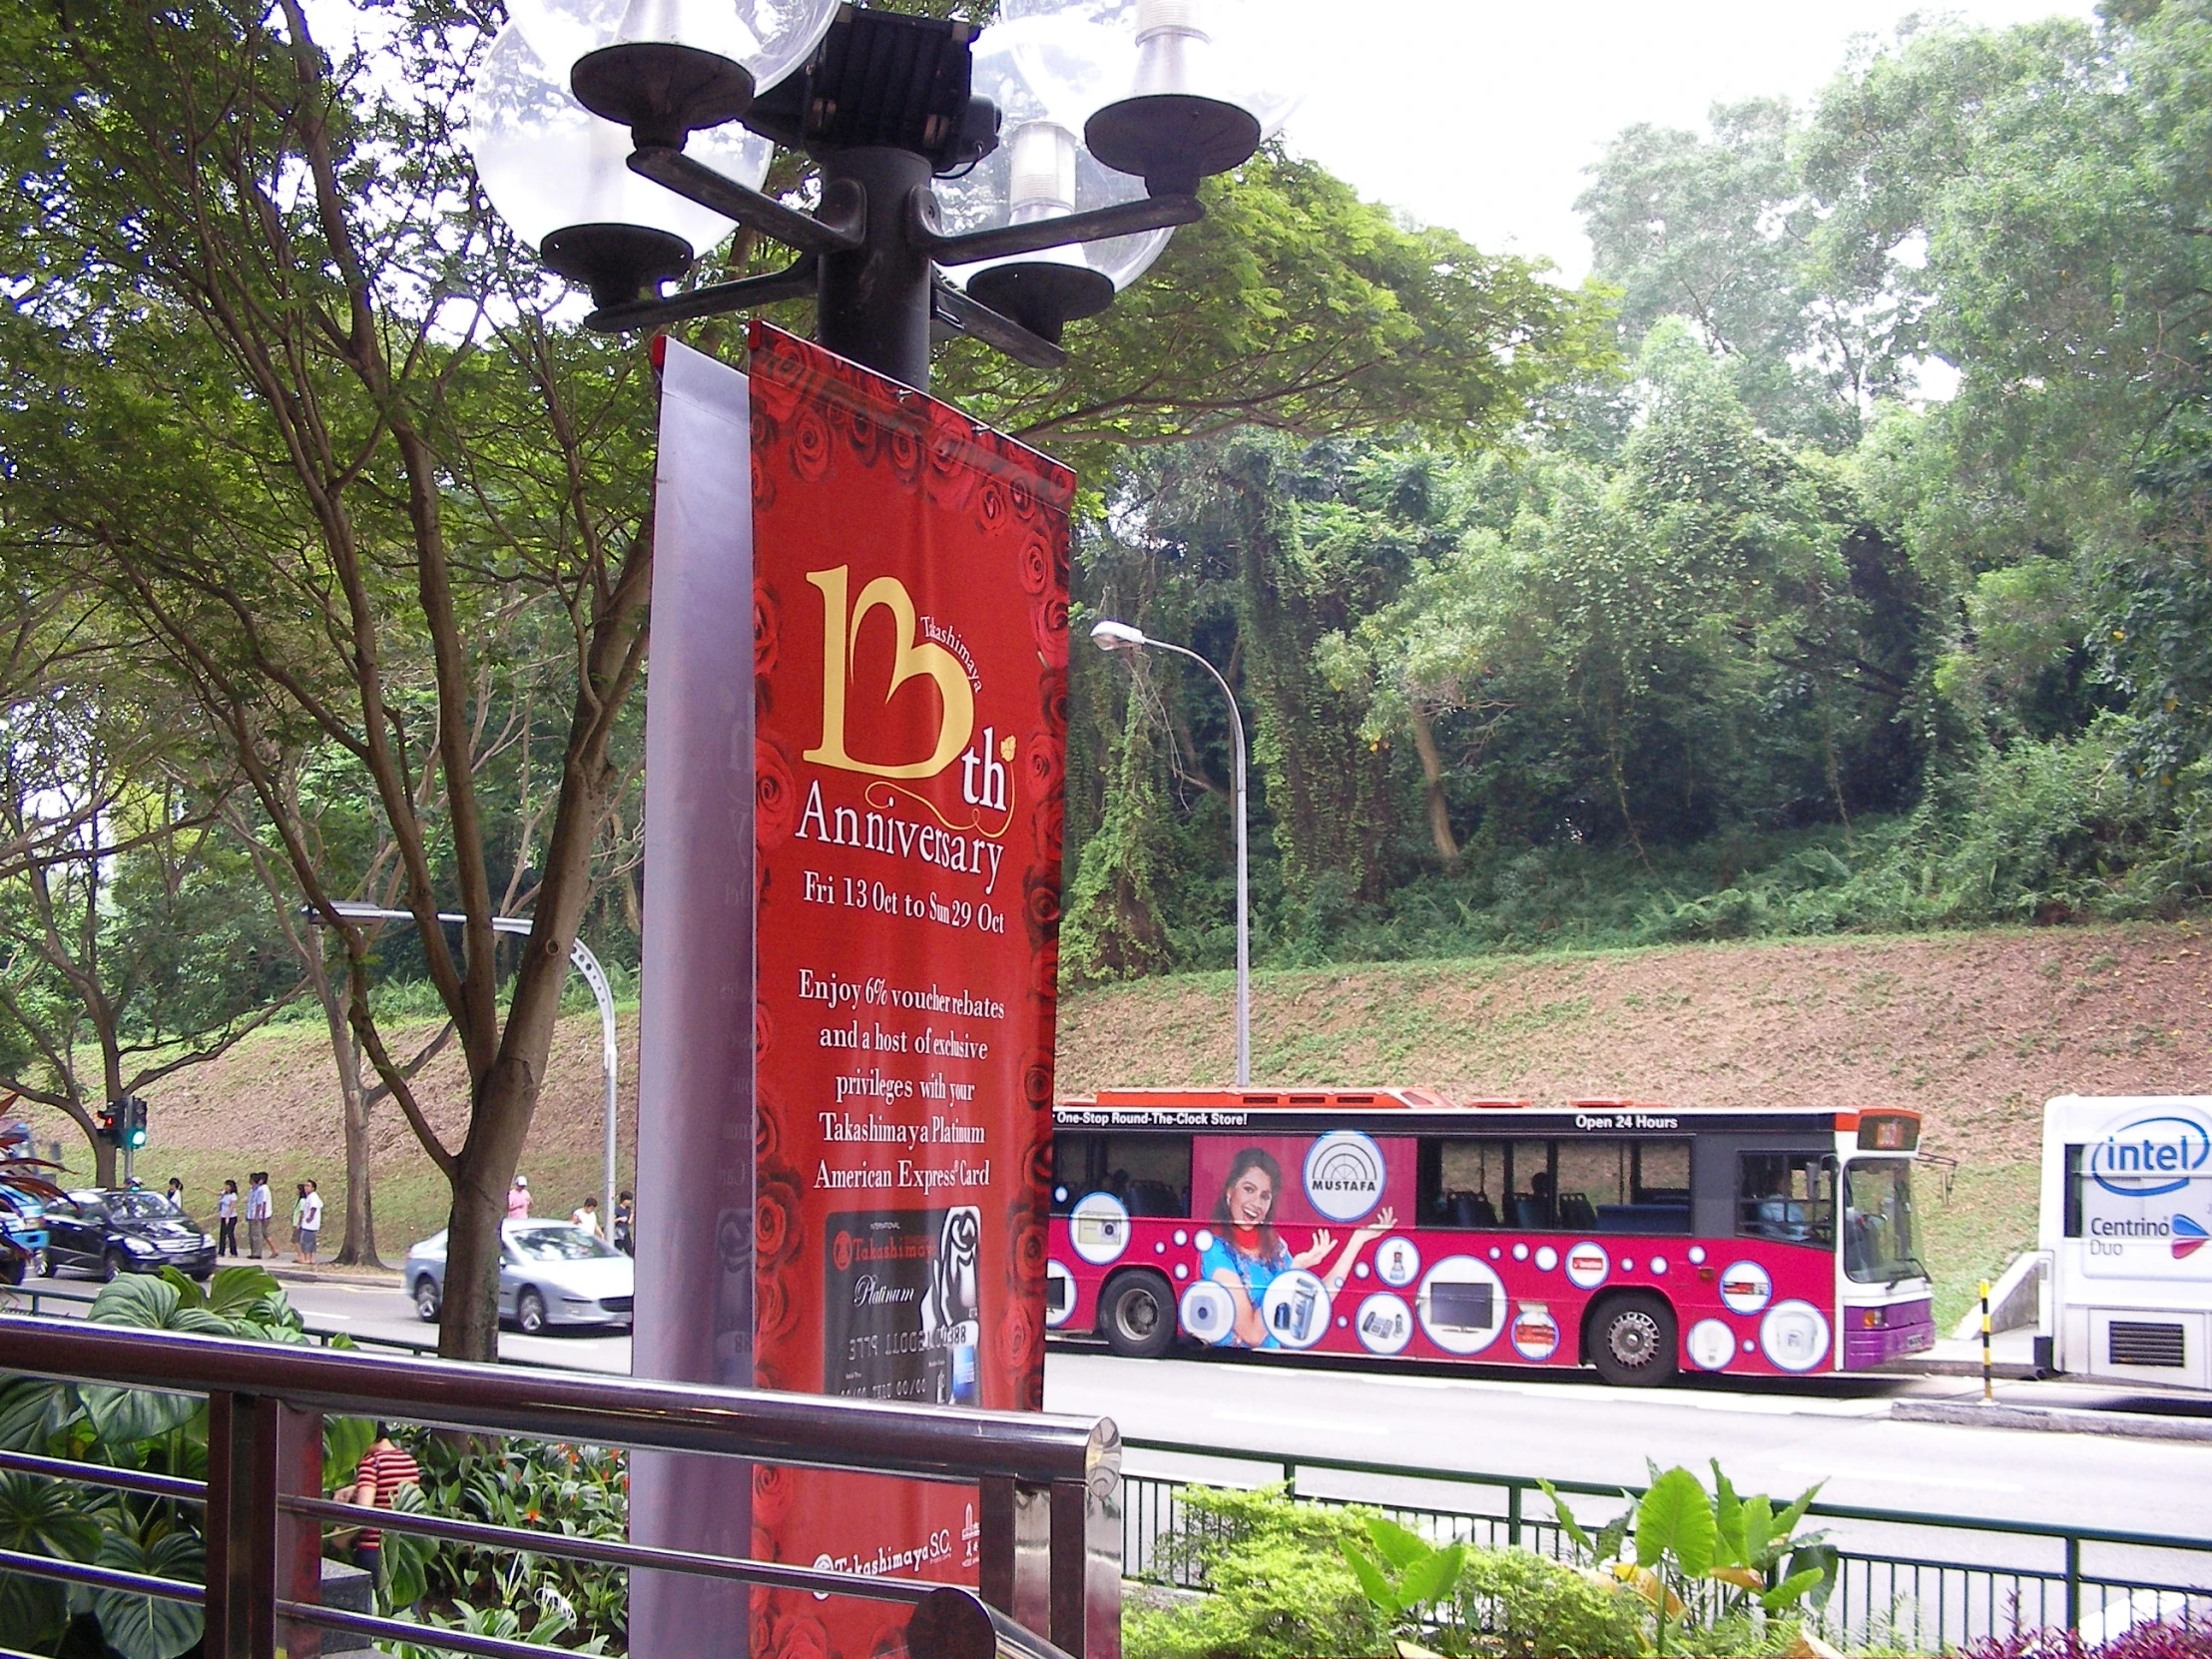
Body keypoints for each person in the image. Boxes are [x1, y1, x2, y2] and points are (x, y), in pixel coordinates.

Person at [1199, 1147, 1397, 1349]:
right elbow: (1252, 1334)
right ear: (1229, 1191)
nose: (1256, 1203)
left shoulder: (1274, 1248)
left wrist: (1356, 1241)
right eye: (1249, 1189)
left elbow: (1316, 1301)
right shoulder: (1217, 1251)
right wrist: (1293, 1270)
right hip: (1238, 1371)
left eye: (1265, 1196)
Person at [334, 1424, 420, 1583]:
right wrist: (356, 1488)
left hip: (372, 1550)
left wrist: (340, 1537)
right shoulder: (408, 1462)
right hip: (401, 1550)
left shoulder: (372, 1463)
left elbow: (363, 1512)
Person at [245, 1173, 273, 1260]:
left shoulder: (260, 1190)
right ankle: (253, 1251)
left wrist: (257, 1215)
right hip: (250, 1214)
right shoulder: (251, 1191)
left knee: (257, 1235)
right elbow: (249, 1204)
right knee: (251, 1234)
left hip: (256, 1215)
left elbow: (259, 1204)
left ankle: (257, 1253)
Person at [294, 1181, 322, 1264]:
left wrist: (310, 1217)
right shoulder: (312, 1197)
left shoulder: (313, 1196)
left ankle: (307, 1258)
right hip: (311, 1224)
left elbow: (313, 1207)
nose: (306, 1187)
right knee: (311, 1241)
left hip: (309, 1224)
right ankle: (311, 1258)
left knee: (306, 1241)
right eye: (305, 1186)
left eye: (308, 1186)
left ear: (313, 1188)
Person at [216, 1180, 240, 1257]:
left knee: (230, 1234)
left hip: (231, 1217)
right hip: (223, 1216)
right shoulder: (224, 1194)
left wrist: (227, 1217)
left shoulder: (233, 1196)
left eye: (227, 1185)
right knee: (222, 1234)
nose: (226, 1187)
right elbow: (216, 1193)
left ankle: (233, 1252)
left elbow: (231, 1207)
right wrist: (205, 1188)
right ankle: (221, 1251)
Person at [612, 1191, 634, 1256]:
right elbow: (611, 1221)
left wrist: (632, 1215)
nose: (629, 1202)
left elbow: (629, 1222)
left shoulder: (628, 1209)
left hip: (626, 1233)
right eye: (628, 1200)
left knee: (630, 1251)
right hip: (618, 1233)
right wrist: (619, 1219)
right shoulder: (617, 1209)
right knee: (617, 1250)